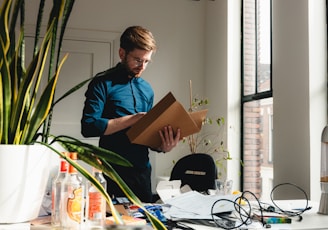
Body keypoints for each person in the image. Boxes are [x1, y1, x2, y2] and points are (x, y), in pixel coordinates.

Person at [81, 25, 181, 203]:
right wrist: (134, 119)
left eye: (147, 61)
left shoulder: (147, 90)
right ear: (122, 53)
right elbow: (88, 126)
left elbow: (147, 136)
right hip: (112, 173)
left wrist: (163, 146)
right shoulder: (101, 83)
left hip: (142, 174)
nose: (142, 66)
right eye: (137, 60)